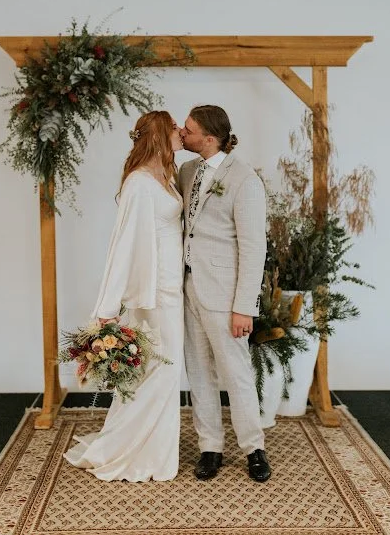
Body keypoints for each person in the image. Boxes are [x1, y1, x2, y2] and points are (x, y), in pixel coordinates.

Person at [63, 111, 184, 482]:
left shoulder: (167, 176)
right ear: (160, 134)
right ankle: (133, 451)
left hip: (173, 287)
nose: (181, 132)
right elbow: (123, 245)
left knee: (160, 372)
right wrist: (108, 306)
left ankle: (150, 449)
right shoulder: (139, 183)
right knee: (161, 371)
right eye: (175, 127)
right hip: (155, 293)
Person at [178, 104, 271, 483]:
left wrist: (244, 307)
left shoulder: (245, 179)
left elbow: (253, 248)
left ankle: (254, 448)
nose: (182, 133)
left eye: (188, 130)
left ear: (210, 138)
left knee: (236, 374)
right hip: (188, 287)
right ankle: (210, 447)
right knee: (198, 371)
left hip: (225, 295)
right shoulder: (186, 171)